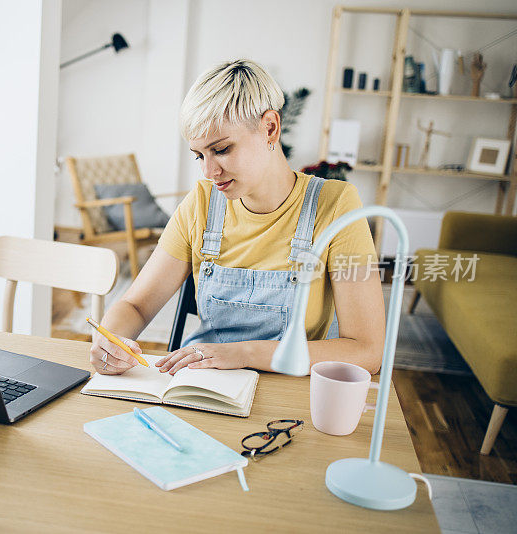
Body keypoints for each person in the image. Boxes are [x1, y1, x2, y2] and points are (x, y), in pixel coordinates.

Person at [89, 59, 384, 377]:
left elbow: (366, 349)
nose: (208, 171)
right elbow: (135, 305)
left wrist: (243, 353)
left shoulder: (336, 205)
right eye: (200, 155)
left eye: (222, 149)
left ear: (270, 127)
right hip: (201, 385)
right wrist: (112, 340)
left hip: (286, 398)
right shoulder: (201, 204)